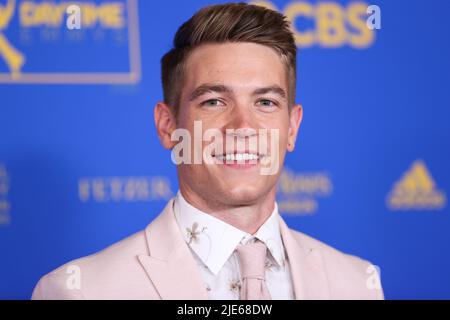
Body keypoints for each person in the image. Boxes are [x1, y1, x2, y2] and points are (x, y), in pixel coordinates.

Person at [32, 2, 384, 300]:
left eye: (265, 101)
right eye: (214, 101)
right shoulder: (80, 291)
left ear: (291, 127)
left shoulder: (358, 284)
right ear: (168, 125)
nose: (243, 127)